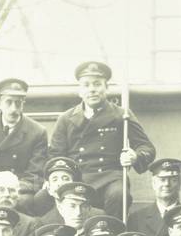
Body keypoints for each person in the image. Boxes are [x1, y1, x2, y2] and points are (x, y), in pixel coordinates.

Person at [48, 61, 156, 217]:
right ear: (79, 91)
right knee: (41, 199)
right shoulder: (66, 118)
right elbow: (55, 156)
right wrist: (56, 178)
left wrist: (135, 156)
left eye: (97, 84)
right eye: (86, 85)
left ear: (107, 88)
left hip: (110, 178)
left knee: (119, 195)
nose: (92, 89)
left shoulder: (121, 115)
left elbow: (146, 148)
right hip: (77, 179)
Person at [0, 78, 47, 204]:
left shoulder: (37, 132)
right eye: (8, 102)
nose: (13, 109)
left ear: (23, 103)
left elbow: (35, 175)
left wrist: (9, 189)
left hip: (17, 190)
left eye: (18, 103)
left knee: (25, 202)